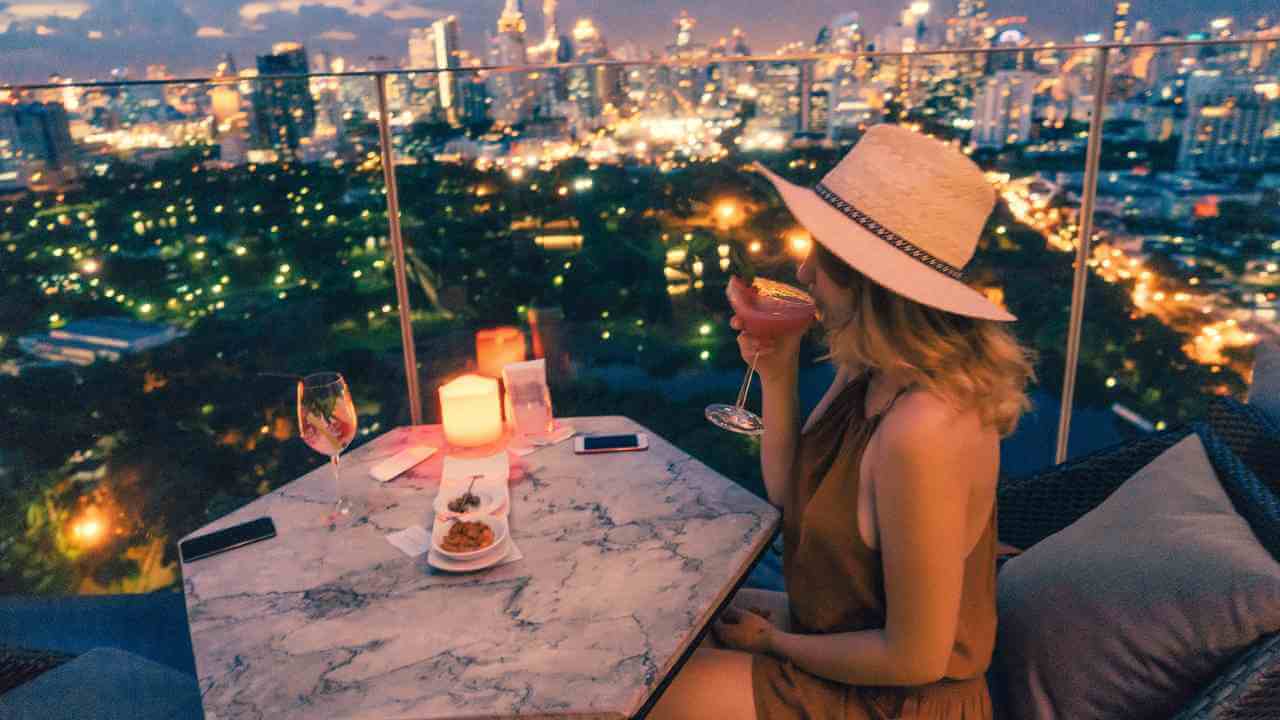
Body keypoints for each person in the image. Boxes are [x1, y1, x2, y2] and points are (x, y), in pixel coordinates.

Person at [649, 124, 1035, 720]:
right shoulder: (871, 370)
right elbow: (789, 494)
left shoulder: (922, 430)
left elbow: (915, 659)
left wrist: (775, 643)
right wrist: (778, 372)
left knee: (650, 692)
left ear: (868, 281)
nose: (803, 276)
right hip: (833, 638)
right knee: (665, 612)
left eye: (819, 259)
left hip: (893, 699)